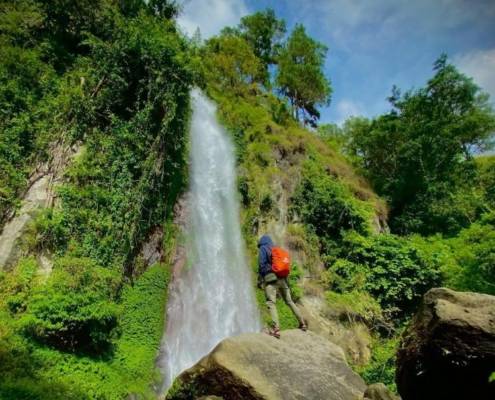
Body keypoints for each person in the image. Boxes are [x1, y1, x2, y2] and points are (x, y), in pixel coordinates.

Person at [257, 234, 307, 338]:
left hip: (271, 280)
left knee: (271, 303)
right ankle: (302, 323)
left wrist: (260, 280)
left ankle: (276, 329)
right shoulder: (275, 249)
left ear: (261, 242)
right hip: (283, 279)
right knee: (289, 302)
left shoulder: (263, 248)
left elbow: (261, 265)